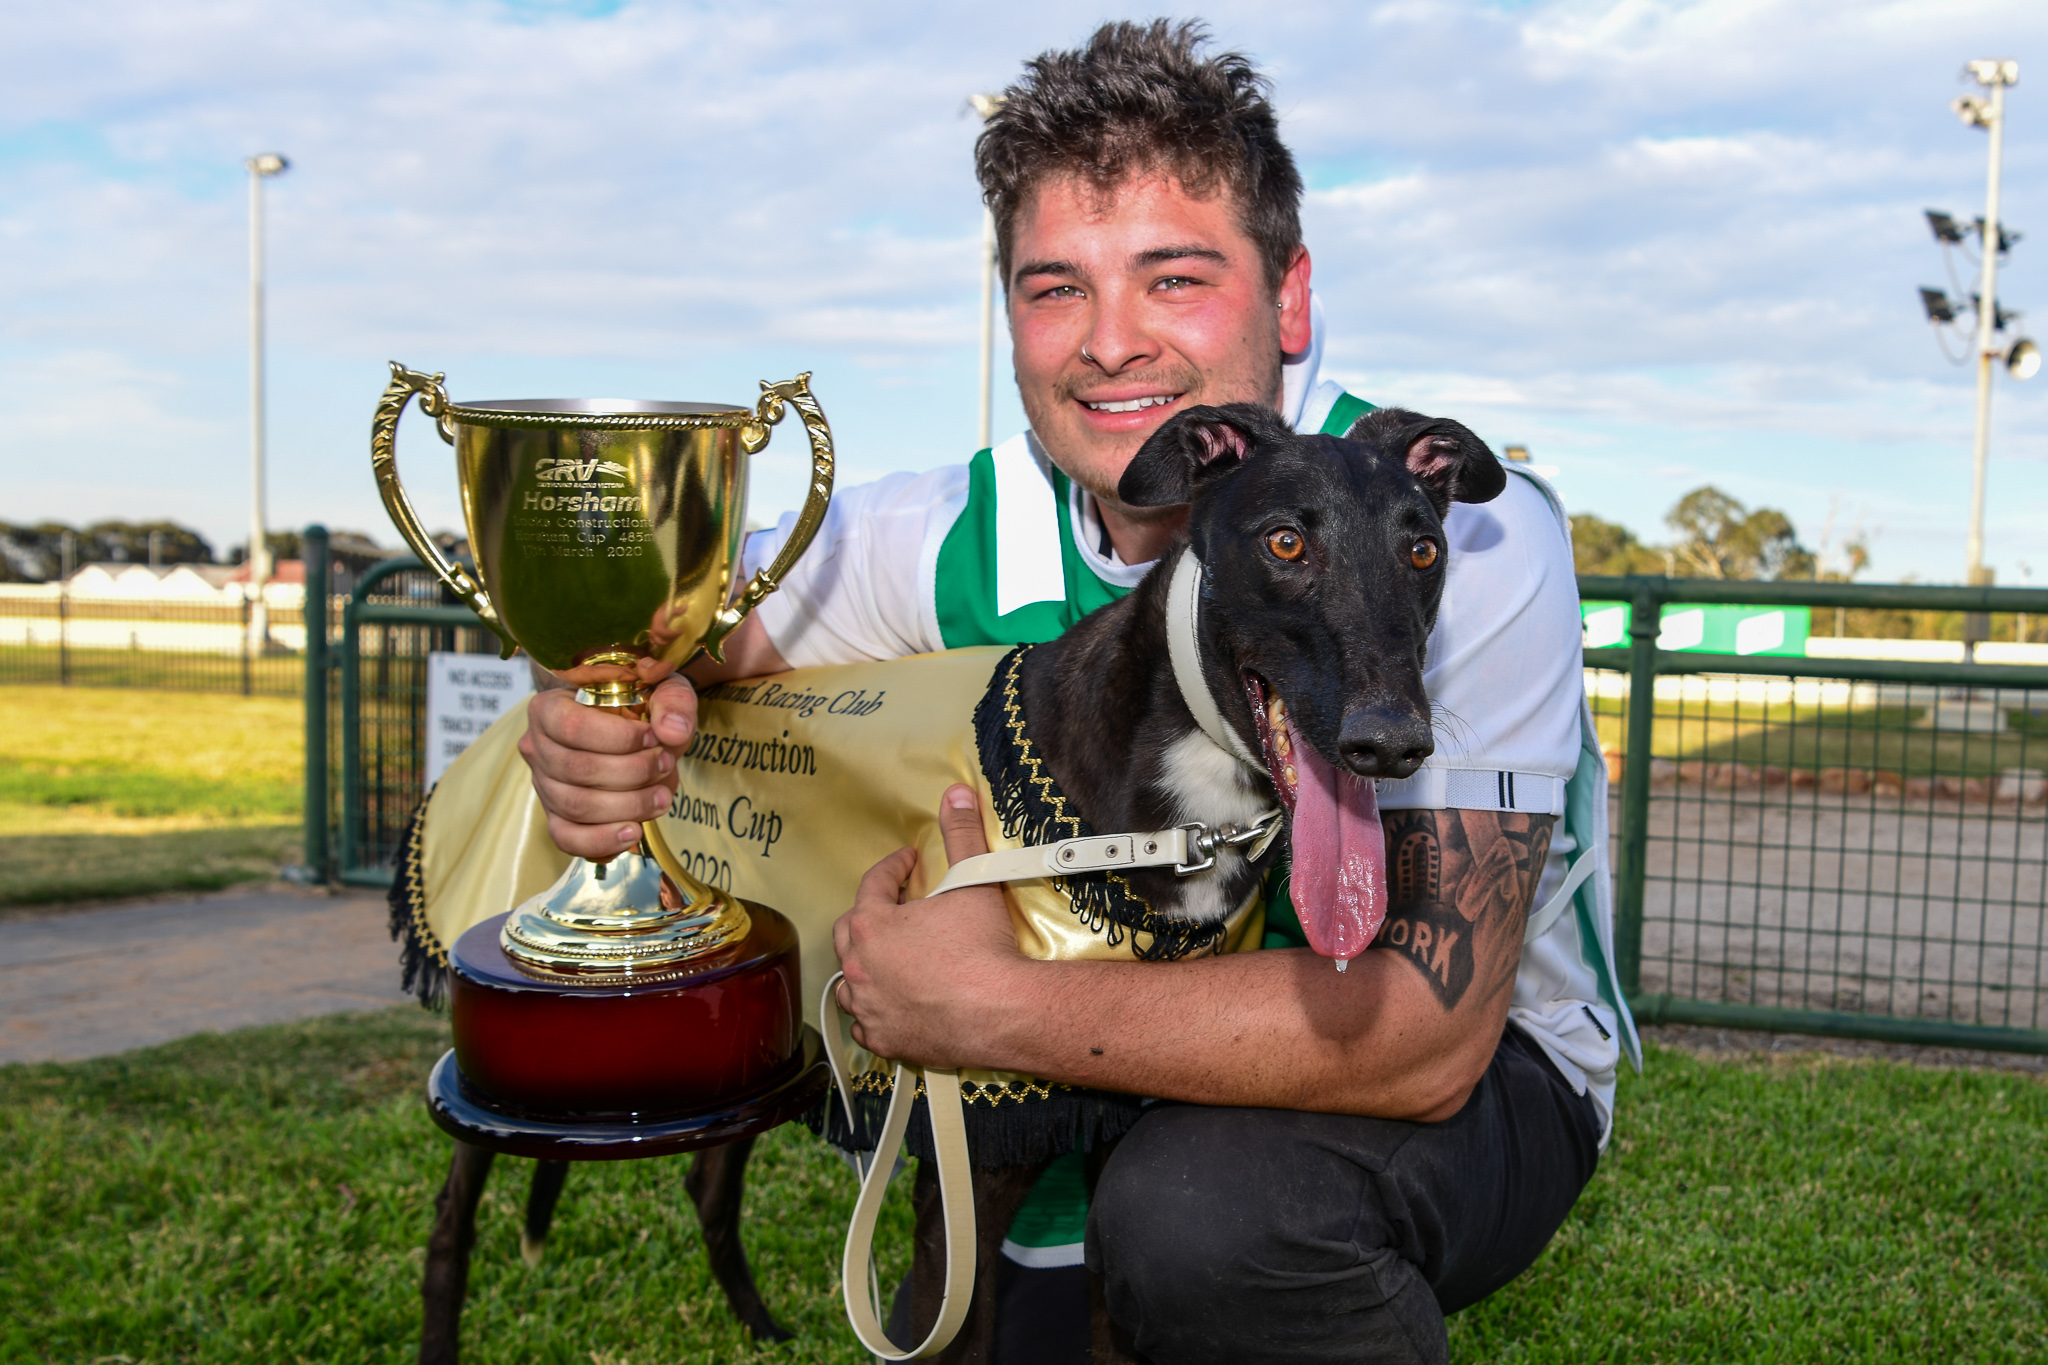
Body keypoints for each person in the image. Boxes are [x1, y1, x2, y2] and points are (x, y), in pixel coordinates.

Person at [517, 20, 1637, 1365]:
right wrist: (605, 707)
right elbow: (672, 623)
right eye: (1056, 289)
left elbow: (1422, 1038)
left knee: (1206, 1219)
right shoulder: (939, 530)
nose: (1112, 344)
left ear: (1289, 298)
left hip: (1466, 1077)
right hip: (1075, 1097)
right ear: (1008, 317)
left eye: (1175, 277)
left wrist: (992, 1010)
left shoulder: (1451, 520)